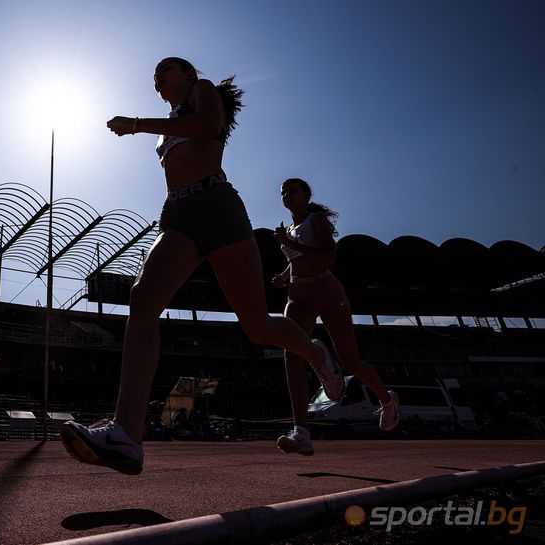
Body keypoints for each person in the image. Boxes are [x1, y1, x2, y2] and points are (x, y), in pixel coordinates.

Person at [59, 57, 345, 475]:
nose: (157, 75)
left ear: (189, 74)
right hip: (177, 214)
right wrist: (146, 128)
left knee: (257, 327)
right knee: (143, 300)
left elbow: (209, 127)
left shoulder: (202, 90)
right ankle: (127, 435)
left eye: (167, 68)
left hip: (217, 207)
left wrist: (136, 124)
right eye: (155, 73)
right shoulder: (168, 126)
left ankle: (316, 353)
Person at [272, 177, 400, 455]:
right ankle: (301, 433)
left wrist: (289, 243)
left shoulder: (315, 220)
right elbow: (296, 260)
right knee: (291, 354)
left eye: (292, 190)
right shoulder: (289, 229)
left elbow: (328, 257)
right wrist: (283, 276)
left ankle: (387, 400)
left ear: (306, 195)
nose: (286, 195)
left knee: (351, 361)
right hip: (298, 293)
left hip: (327, 291)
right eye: (282, 192)